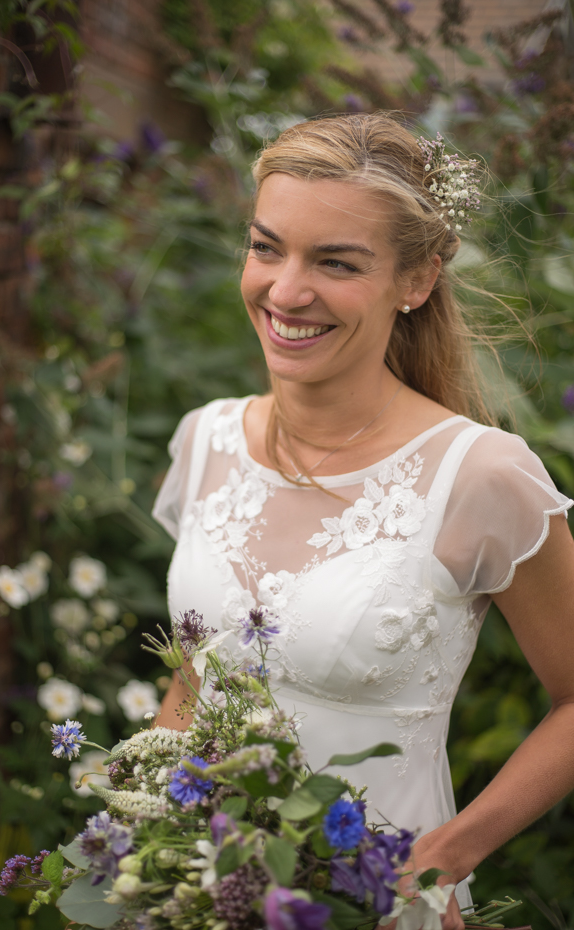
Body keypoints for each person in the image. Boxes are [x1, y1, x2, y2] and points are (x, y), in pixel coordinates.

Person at [150, 114, 574, 927]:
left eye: (334, 262)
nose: (284, 290)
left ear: (414, 280)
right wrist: (144, 834)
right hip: (203, 889)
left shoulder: (479, 475)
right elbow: (194, 678)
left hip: (376, 902)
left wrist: (446, 856)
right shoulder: (204, 440)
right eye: (266, 247)